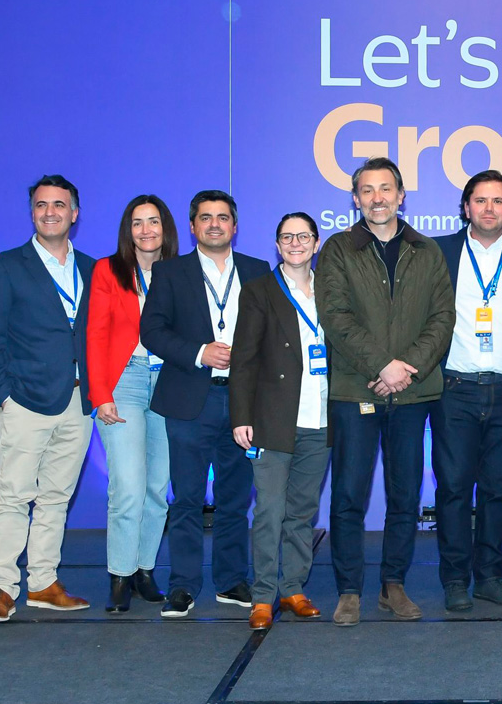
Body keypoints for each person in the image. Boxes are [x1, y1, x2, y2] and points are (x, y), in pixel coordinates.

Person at [317, 156, 455, 626]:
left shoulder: (427, 250)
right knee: (348, 495)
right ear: (355, 199)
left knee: (406, 494)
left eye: (385, 189)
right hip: (356, 388)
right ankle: (349, 591)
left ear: (401, 195)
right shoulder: (338, 249)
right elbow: (335, 317)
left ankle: (392, 585)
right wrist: (382, 366)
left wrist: (406, 369)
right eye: (367, 190)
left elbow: (443, 318)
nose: (377, 198)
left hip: (412, 393)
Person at [0, 175, 96, 622]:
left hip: (78, 403)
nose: (50, 212)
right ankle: (2, 587)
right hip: (24, 401)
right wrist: (3, 397)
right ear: (32, 213)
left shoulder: (92, 268)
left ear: (74, 213)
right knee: (13, 497)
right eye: (42, 205)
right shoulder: (6, 266)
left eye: (59, 205)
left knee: (56, 498)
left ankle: (43, 582)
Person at [140, 190, 270, 618]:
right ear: (193, 226)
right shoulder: (169, 272)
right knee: (186, 499)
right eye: (206, 217)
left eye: (223, 217)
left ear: (235, 226)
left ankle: (231, 580)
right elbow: (152, 331)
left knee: (235, 497)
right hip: (188, 399)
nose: (215, 224)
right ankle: (183, 585)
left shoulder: (257, 270)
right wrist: (199, 352)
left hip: (243, 401)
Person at [430, 170, 502, 612]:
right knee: (453, 489)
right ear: (466, 207)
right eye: (480, 200)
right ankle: (455, 579)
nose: (489, 208)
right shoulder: (438, 253)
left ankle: (490, 576)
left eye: (498, 201)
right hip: (454, 389)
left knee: (497, 490)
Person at [230, 213, 332, 630]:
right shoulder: (260, 291)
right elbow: (243, 358)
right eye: (287, 237)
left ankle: (292, 588)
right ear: (276, 245)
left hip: (321, 420)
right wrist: (241, 416)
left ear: (316, 243)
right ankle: (262, 596)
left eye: (303, 236)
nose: (295, 244)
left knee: (302, 512)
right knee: (269, 512)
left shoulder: (331, 289)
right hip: (273, 419)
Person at [87, 195, 180, 613]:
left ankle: (144, 570)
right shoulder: (108, 270)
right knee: (127, 486)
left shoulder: (179, 271)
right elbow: (95, 334)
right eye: (138, 222)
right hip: (123, 381)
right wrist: (101, 394)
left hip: (168, 382)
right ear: (128, 230)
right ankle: (120, 576)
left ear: (165, 228)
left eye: (153, 221)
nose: (146, 230)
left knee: (158, 488)